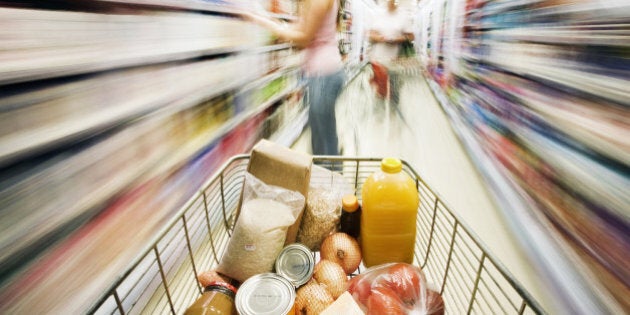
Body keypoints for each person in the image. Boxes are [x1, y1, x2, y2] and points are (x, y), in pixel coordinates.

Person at [242, 0, 345, 156]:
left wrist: (269, 25)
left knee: (323, 137)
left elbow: (304, 38)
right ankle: (324, 171)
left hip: (324, 74)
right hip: (319, 73)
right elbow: (301, 29)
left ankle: (330, 175)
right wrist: (272, 22)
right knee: (321, 132)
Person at [368, 0, 414, 108]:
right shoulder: (378, 14)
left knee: (394, 89)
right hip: (378, 59)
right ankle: (379, 113)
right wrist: (379, 38)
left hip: (395, 60)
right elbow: (371, 34)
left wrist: (397, 39)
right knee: (380, 88)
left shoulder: (403, 16)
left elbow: (411, 36)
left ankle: (394, 112)